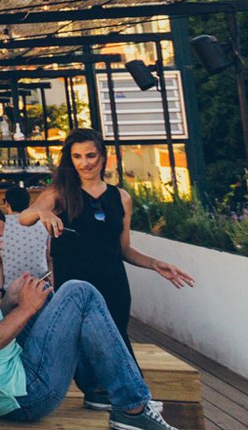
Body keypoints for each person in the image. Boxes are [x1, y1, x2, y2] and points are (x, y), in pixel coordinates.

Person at [0, 197, 195, 430]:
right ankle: (133, 408)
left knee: (49, 295)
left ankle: (99, 391)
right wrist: (25, 309)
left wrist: (10, 302)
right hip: (20, 397)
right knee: (80, 292)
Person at [28, 128, 193, 345]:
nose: (84, 163)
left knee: (117, 345)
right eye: (77, 157)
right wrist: (42, 212)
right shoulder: (59, 193)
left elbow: (123, 249)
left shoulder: (121, 197)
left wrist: (154, 263)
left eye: (90, 155)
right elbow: (25, 217)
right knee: (83, 350)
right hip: (75, 288)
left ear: (102, 157)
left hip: (114, 286)